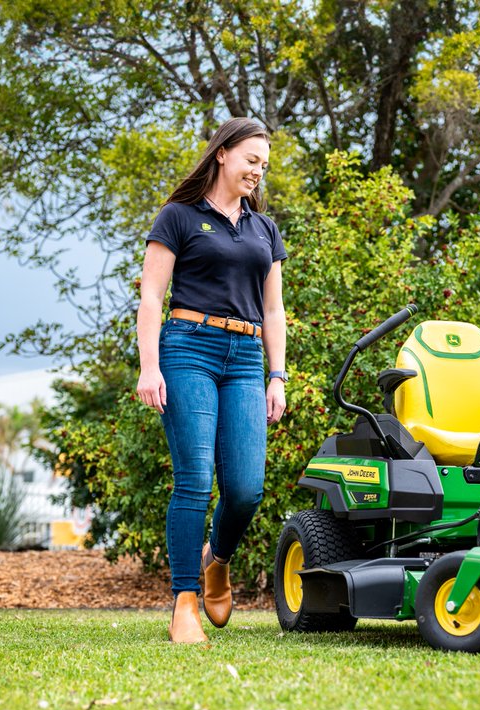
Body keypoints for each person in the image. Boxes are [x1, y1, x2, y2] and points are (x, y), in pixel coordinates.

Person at [135, 118, 288, 643]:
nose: (258, 171)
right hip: (187, 349)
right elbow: (152, 297)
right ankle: (184, 604)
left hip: (245, 356)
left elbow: (274, 310)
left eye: (263, 165)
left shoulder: (264, 230)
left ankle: (216, 559)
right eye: (251, 160)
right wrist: (149, 366)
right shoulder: (179, 217)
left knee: (246, 489)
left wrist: (277, 375)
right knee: (196, 480)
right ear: (222, 154)